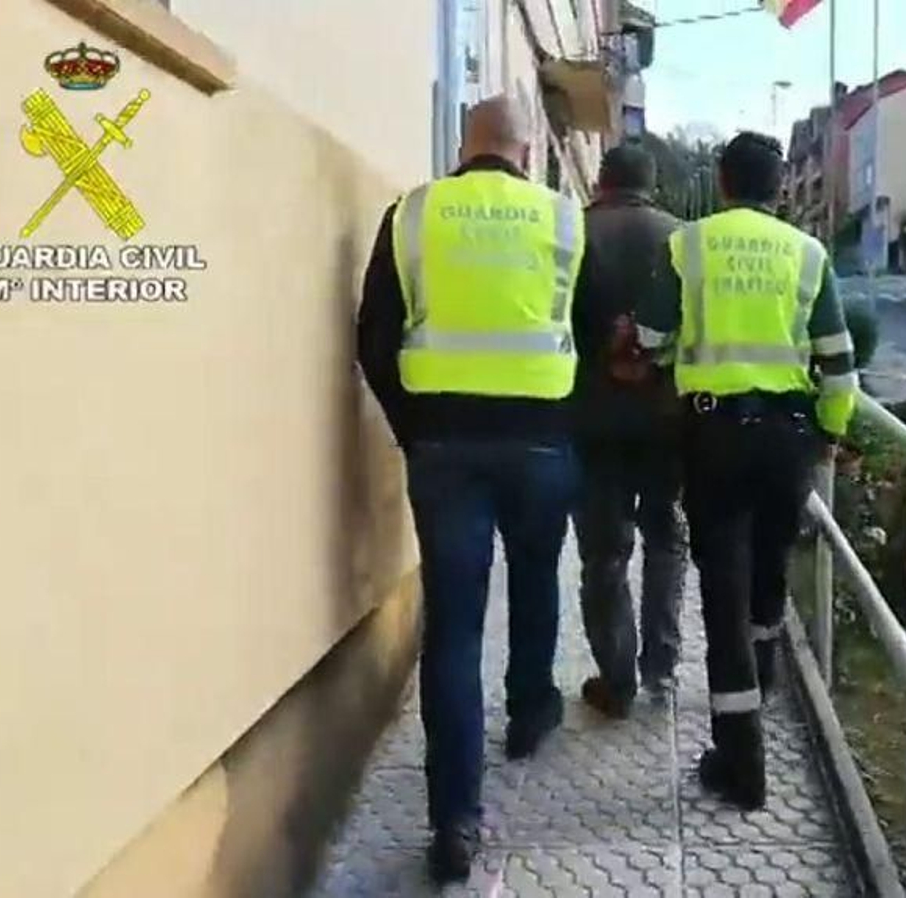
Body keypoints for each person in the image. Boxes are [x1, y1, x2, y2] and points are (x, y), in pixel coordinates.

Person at [355, 95, 585, 884]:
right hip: (540, 436)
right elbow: (581, 327)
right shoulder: (561, 219)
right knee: (535, 577)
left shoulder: (414, 214)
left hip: (445, 443)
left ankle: (455, 819)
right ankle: (528, 712)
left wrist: (412, 425)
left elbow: (373, 335)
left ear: (465, 141)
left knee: (452, 629)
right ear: (526, 151)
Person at [636, 131, 857, 810]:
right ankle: (761, 689)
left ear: (723, 181)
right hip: (789, 440)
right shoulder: (810, 254)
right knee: (768, 585)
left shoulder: (689, 245)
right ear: (780, 188)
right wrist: (829, 433)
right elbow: (841, 365)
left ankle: (741, 761)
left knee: (722, 597)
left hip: (715, 438)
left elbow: (649, 340)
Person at [569, 144, 687, 718]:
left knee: (604, 553)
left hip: (590, 418)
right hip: (665, 418)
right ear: (652, 184)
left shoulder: (571, 231)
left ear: (600, 181)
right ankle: (662, 669)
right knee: (665, 537)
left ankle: (616, 679)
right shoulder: (683, 238)